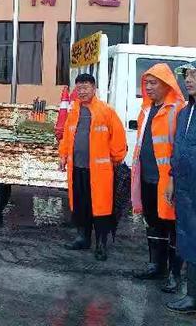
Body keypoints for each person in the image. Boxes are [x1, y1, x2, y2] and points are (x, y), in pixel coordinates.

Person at [59, 73, 127, 261]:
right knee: (81, 206)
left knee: (101, 209)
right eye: (79, 88)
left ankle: (101, 245)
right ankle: (83, 238)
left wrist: (116, 159)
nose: (82, 91)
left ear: (94, 88)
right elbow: (66, 136)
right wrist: (63, 155)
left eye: (86, 87)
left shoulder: (106, 111)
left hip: (100, 172)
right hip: (78, 169)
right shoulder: (74, 111)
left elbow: (118, 138)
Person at [131, 64, 185, 293]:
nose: (149, 87)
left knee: (172, 227)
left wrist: (173, 178)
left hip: (169, 182)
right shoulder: (145, 109)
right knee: (153, 224)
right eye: (147, 83)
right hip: (147, 179)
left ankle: (174, 274)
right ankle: (156, 266)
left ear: (166, 84)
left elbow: (180, 149)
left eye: (154, 83)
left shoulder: (177, 110)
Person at [165, 62, 196, 314]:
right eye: (187, 75)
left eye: (195, 75)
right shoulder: (186, 112)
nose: (189, 79)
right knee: (188, 237)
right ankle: (192, 295)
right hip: (185, 187)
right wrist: (173, 179)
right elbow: (178, 149)